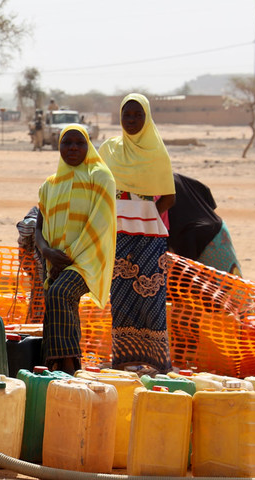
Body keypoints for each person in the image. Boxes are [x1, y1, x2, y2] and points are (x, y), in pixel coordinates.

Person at [98, 93, 176, 372]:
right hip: (117, 234)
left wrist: (148, 215)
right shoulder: (108, 149)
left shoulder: (157, 152)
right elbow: (97, 185)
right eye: (126, 115)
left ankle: (156, 361)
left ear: (147, 118)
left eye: (137, 115)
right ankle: (125, 360)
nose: (131, 120)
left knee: (151, 296)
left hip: (149, 236)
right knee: (120, 296)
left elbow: (169, 196)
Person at [36, 125, 116, 374]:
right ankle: (55, 366)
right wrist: (46, 251)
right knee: (55, 300)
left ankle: (68, 365)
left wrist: (68, 255)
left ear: (88, 146)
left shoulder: (100, 177)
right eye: (66, 142)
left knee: (60, 293)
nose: (72, 147)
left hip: (88, 260)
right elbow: (39, 227)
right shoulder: (49, 185)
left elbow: (100, 224)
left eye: (79, 143)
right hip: (56, 259)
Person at [167, 172, 242, 276]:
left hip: (197, 237)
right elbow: (205, 191)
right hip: (217, 229)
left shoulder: (149, 182)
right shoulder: (171, 175)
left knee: (219, 287)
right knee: (232, 282)